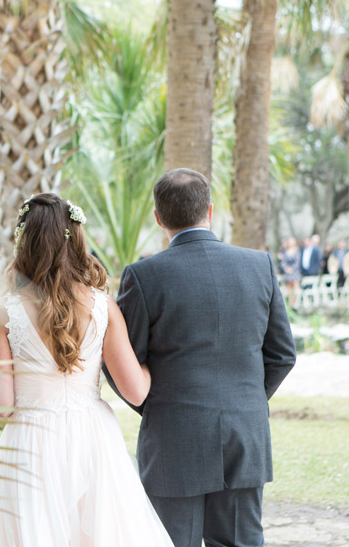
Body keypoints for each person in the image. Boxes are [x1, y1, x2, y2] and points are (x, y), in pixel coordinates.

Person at [106, 169, 297, 547]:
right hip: (245, 434)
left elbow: (121, 360)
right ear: (209, 210)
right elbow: (282, 355)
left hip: (173, 438)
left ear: (158, 217)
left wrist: (159, 407)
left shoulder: (143, 276)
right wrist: (245, 400)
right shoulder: (260, 266)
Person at [0, 193, 174, 546]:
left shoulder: (2, 313)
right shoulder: (103, 306)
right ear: (75, 238)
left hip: (31, 442)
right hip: (92, 438)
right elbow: (135, 390)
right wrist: (152, 366)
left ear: (24, 242)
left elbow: (1, 405)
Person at [281, 237, 302, 307]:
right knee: (288, 289)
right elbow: (283, 262)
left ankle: (295, 303)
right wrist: (286, 268)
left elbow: (297, 262)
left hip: (294, 272)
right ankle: (289, 303)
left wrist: (292, 269)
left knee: (296, 288)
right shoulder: (285, 251)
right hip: (287, 273)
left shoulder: (297, 251)